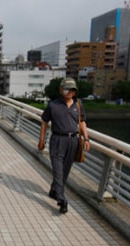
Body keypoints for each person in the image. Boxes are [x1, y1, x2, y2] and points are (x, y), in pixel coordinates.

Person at [38, 78, 90, 214]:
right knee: (58, 170)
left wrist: (86, 139)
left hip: (73, 141)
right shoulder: (53, 105)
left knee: (65, 171)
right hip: (57, 140)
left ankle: (54, 190)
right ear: (61, 90)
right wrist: (41, 140)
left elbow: (82, 122)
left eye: (73, 89)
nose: (70, 92)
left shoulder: (78, 105)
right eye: (68, 89)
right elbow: (44, 122)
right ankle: (62, 200)